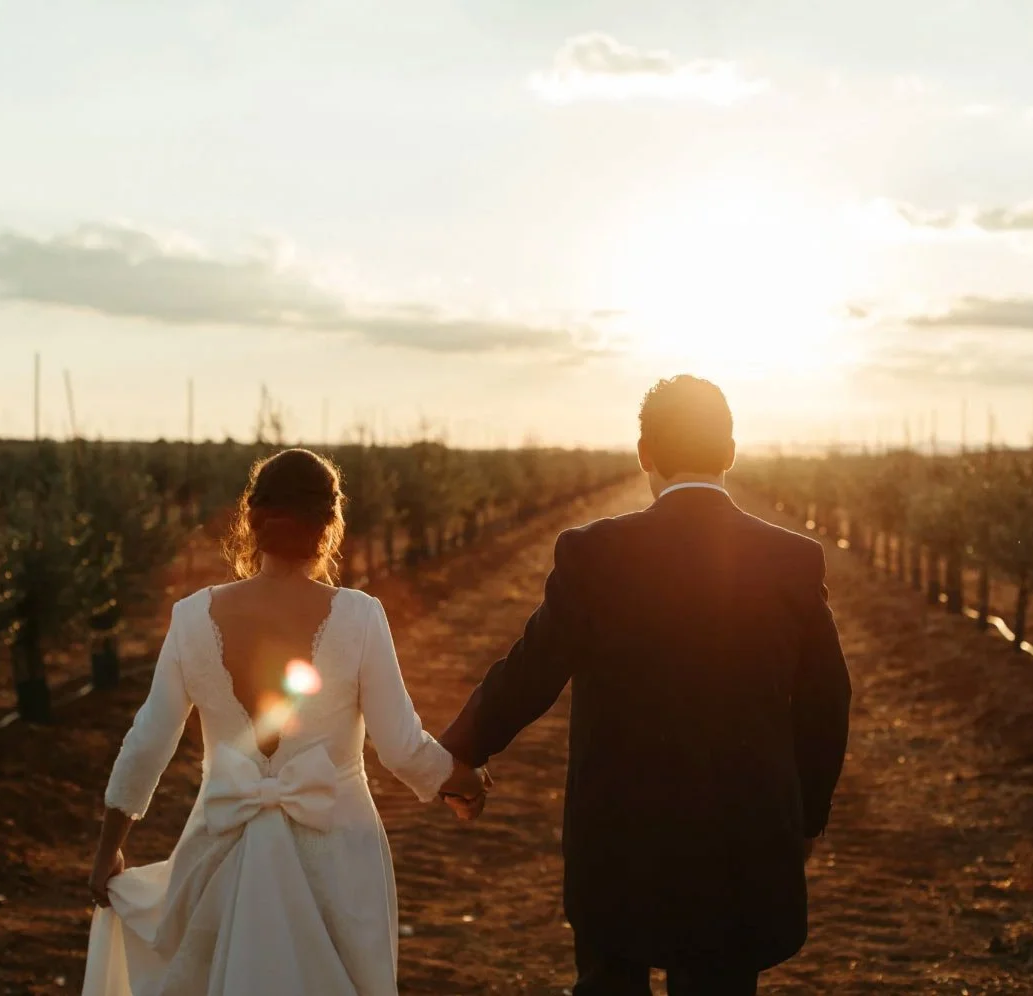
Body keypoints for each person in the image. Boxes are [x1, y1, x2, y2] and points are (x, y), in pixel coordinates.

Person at [437, 375, 853, 996]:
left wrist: (459, 754)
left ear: (644, 454)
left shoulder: (595, 553)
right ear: (731, 452)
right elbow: (827, 699)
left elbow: (533, 670)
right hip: (741, 838)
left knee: (608, 980)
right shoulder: (790, 558)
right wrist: (805, 820)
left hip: (618, 838)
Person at [83, 448, 488, 996]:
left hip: (218, 847)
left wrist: (108, 851)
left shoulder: (191, 619)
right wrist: (462, 779)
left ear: (250, 518)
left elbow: (149, 740)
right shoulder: (360, 616)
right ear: (331, 525)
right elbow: (400, 747)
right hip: (339, 858)